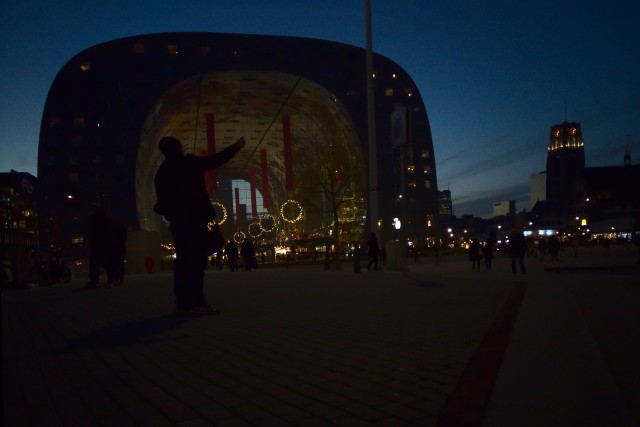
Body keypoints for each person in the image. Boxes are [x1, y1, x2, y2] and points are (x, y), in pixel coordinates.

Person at [154, 135, 246, 315]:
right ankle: (196, 301)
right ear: (178, 148)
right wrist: (236, 146)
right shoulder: (189, 163)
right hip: (195, 220)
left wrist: (171, 212)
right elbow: (215, 161)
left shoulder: (162, 173)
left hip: (179, 224)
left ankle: (182, 301)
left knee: (182, 261)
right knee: (196, 261)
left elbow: (161, 203)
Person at [86, 203, 110, 288]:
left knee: (99, 262)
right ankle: (96, 280)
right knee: (97, 262)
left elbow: (99, 231)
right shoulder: (99, 219)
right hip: (98, 243)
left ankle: (96, 280)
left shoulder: (99, 219)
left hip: (99, 243)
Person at [107, 215, 127, 285]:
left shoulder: (119, 228)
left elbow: (124, 238)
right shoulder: (112, 229)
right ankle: (117, 278)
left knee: (119, 264)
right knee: (115, 264)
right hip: (115, 249)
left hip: (119, 248)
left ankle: (120, 278)